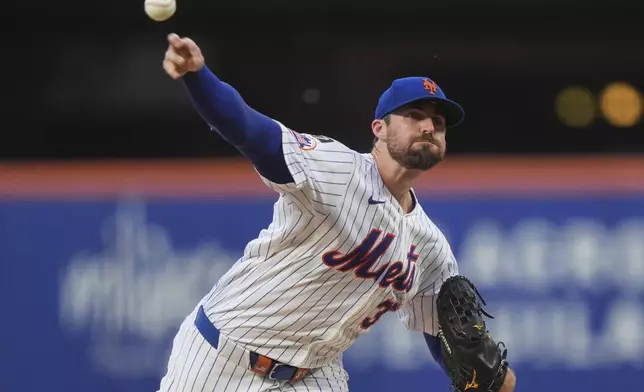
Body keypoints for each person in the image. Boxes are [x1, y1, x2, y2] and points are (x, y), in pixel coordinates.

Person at [158, 33, 516, 392]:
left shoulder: (431, 248)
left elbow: (451, 341)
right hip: (224, 356)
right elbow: (251, 131)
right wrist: (198, 77)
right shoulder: (338, 170)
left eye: (438, 123)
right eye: (414, 115)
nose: (428, 126)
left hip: (315, 374)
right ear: (379, 128)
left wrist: (490, 382)